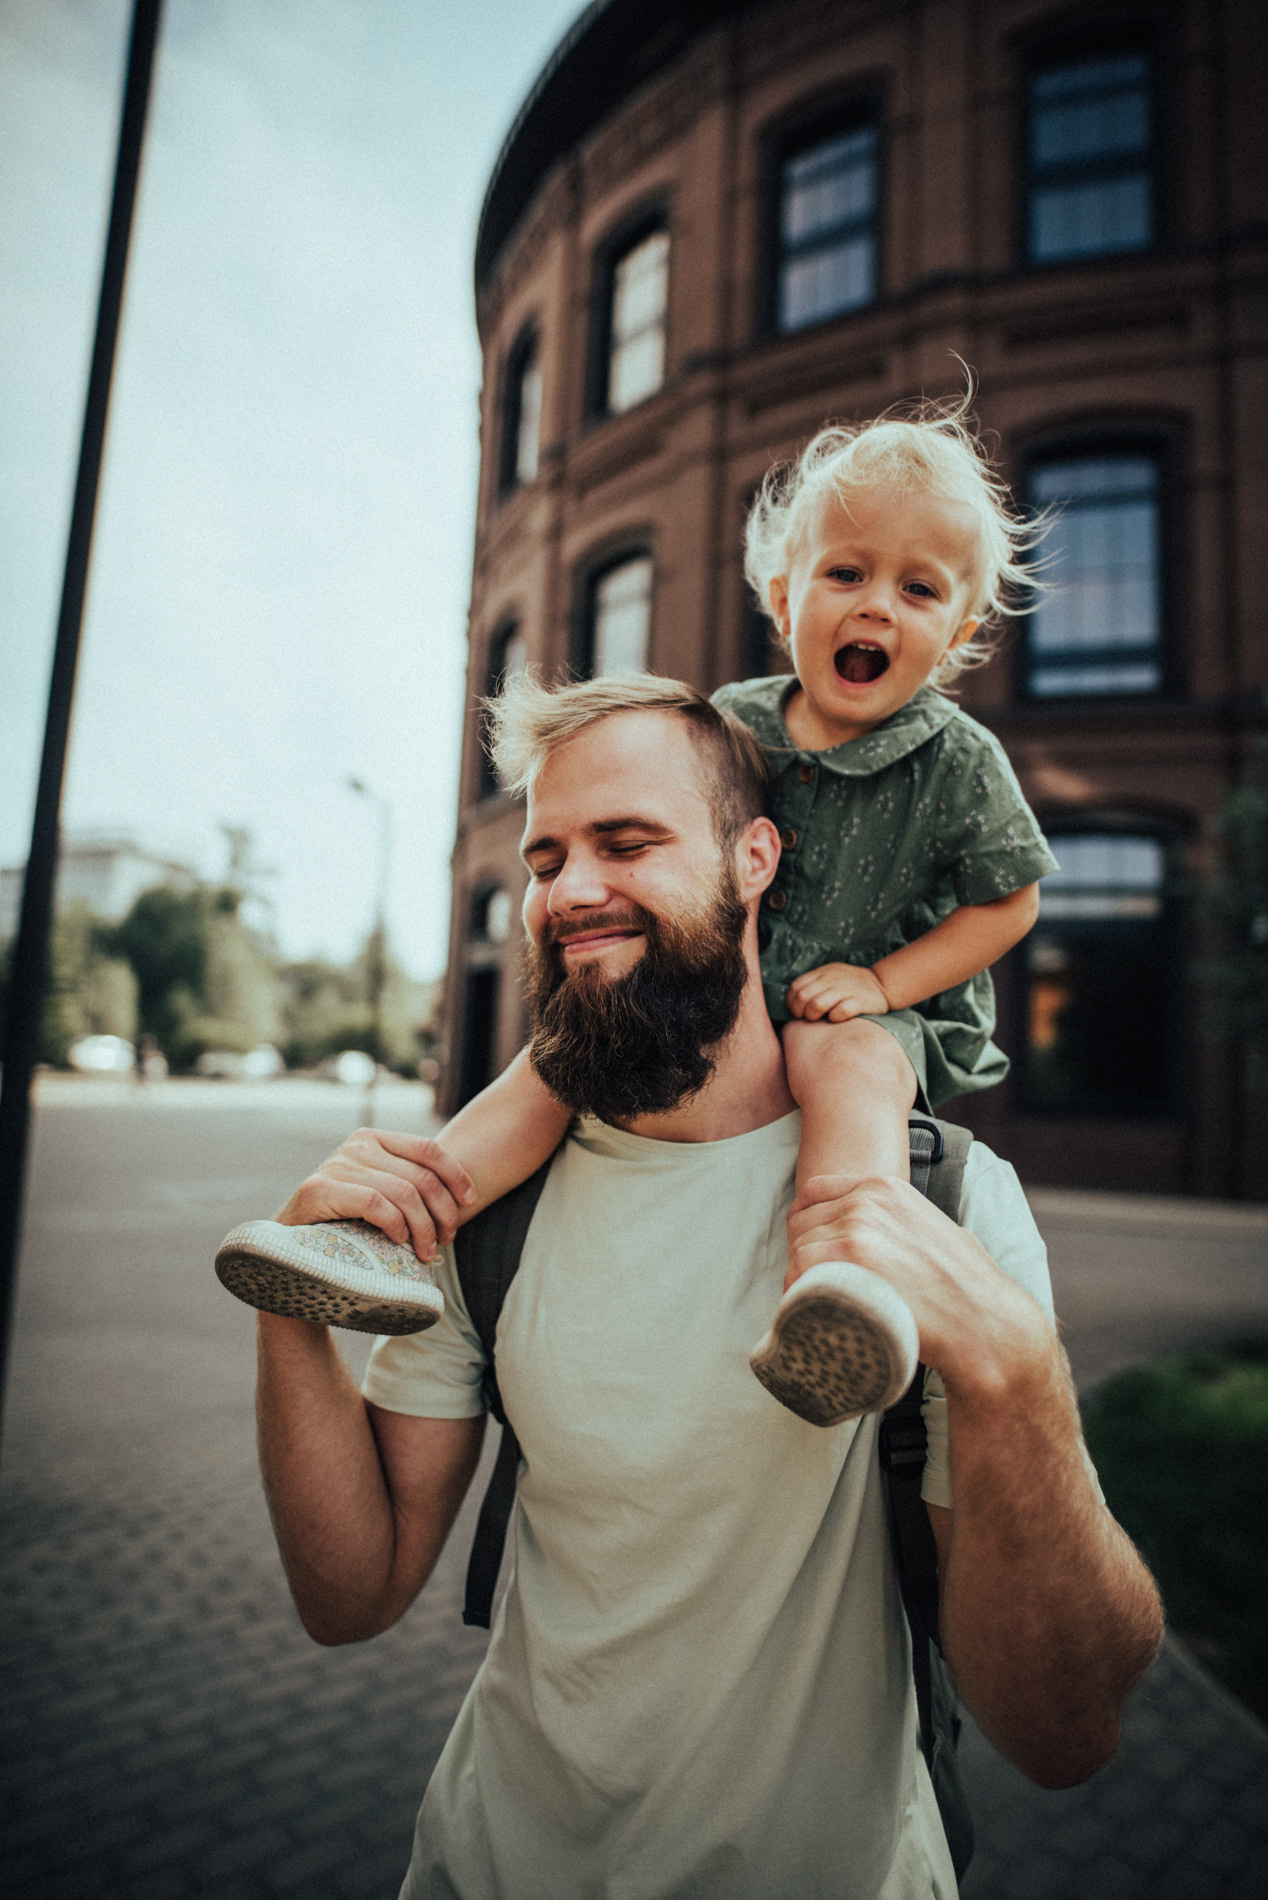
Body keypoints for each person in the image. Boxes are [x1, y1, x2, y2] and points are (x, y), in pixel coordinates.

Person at [255, 675, 1162, 1900]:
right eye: (544, 859)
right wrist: (293, 1309)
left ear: (753, 859)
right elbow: (348, 1593)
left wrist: (1016, 1374)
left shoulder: (940, 1202)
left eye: (627, 842)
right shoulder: (485, 1213)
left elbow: (1061, 1734)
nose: (570, 890)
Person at [224, 399, 1057, 1431]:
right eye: (846, 574)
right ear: (784, 595)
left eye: (918, 589)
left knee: (850, 1071)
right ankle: (387, 1236)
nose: (877, 607)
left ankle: (843, 1288)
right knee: (547, 1070)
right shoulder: (732, 722)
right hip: (718, 983)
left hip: (856, 1002)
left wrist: (884, 984)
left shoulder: (958, 759)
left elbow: (1008, 897)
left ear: (960, 633)